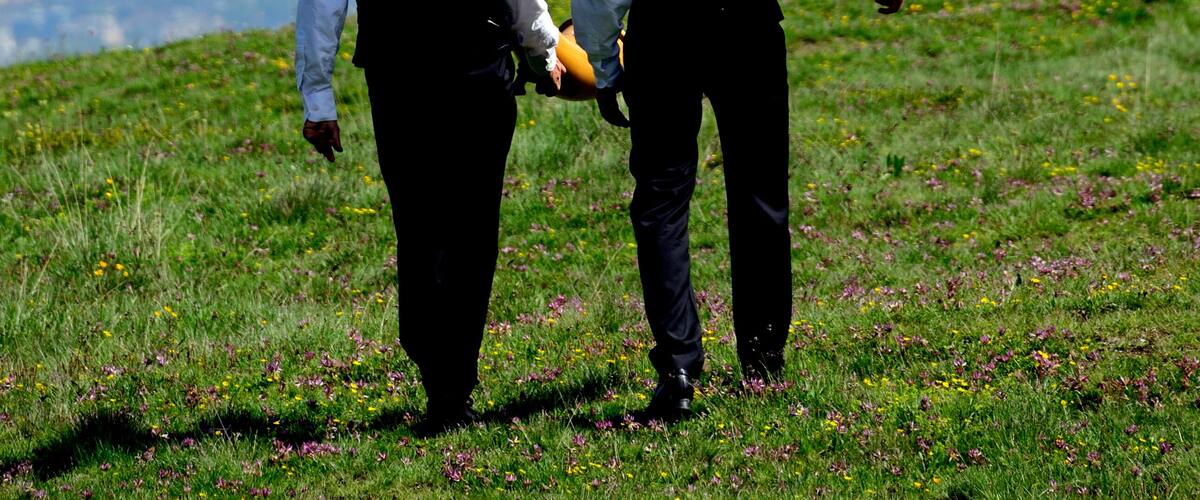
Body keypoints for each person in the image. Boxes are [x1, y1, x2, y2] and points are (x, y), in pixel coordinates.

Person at [571, 0, 904, 421]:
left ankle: (678, 367)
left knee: (662, 202)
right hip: (747, 20)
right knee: (759, 195)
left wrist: (603, 65)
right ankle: (764, 359)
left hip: (663, 28)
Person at [295, 0, 564, 435]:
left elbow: (321, 5)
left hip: (400, 71)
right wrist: (541, 49)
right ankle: (450, 384)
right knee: (470, 233)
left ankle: (443, 377)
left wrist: (319, 98)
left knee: (419, 226)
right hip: (471, 62)